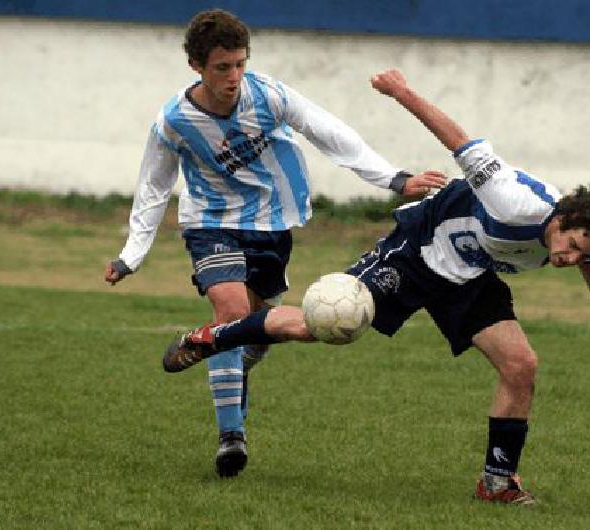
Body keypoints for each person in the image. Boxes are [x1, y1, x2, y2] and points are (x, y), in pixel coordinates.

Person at [160, 68, 590, 504]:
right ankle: (211, 338)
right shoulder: (511, 200)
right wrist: (400, 91)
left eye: (584, 255)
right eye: (571, 245)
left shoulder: (578, 241)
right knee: (316, 326)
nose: (570, 259)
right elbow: (459, 140)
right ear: (564, 217)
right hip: (418, 251)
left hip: (469, 275)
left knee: (521, 364)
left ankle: (497, 482)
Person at [103, 12, 446, 479]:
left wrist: (394, 178)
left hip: (273, 226)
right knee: (232, 314)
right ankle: (231, 438)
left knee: (252, 340)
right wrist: (132, 255)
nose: (234, 77)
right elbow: (153, 188)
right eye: (222, 67)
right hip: (211, 223)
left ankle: (204, 348)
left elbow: (329, 132)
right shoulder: (174, 122)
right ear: (196, 65)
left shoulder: (268, 95)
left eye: (240, 64)